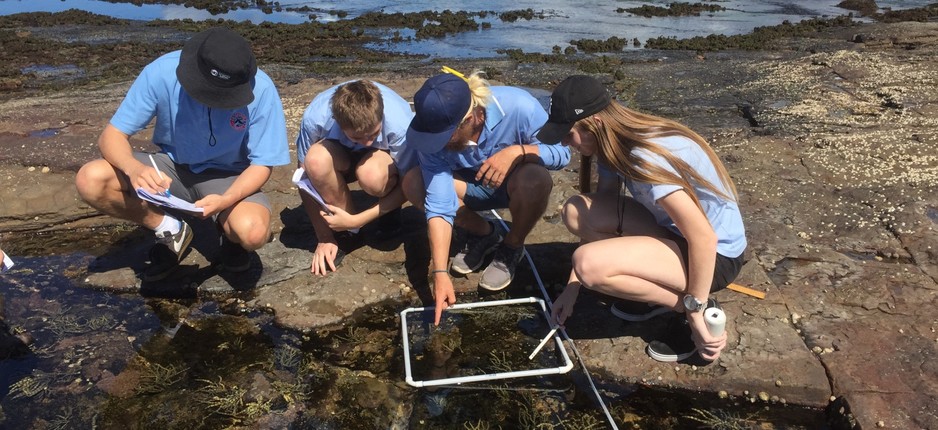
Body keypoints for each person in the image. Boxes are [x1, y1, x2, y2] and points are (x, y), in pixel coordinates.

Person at [541, 75, 746, 362]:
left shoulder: (644, 156)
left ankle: (686, 304)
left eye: (568, 133)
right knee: (577, 210)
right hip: (675, 233)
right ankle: (656, 291)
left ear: (595, 125)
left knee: (589, 264)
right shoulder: (614, 147)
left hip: (717, 255)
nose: (564, 142)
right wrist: (572, 288)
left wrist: (696, 314)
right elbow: (604, 211)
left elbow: (704, 237)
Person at [75, 27, 290, 282]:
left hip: (228, 174)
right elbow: (111, 136)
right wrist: (135, 169)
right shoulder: (161, 72)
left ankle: (229, 237)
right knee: (91, 179)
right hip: (171, 166)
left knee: (252, 233)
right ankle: (169, 228)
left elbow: (263, 163)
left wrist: (227, 200)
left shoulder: (262, 90)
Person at [403, 72, 571, 325]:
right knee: (414, 183)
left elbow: (562, 153)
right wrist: (439, 272)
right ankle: (485, 233)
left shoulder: (519, 106)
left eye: (443, 137)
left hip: (513, 187)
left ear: (471, 118)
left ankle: (512, 246)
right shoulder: (433, 136)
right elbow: (439, 204)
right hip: (467, 187)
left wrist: (519, 152)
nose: (436, 144)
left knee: (536, 179)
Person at [295, 80, 415, 276]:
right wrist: (324, 236)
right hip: (340, 154)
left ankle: (381, 216)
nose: (367, 142)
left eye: (374, 133)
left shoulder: (400, 123)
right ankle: (349, 234)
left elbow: (409, 184)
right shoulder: (315, 117)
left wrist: (358, 219)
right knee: (315, 161)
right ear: (338, 122)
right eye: (358, 137)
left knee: (371, 176)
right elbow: (303, 180)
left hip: (380, 160)